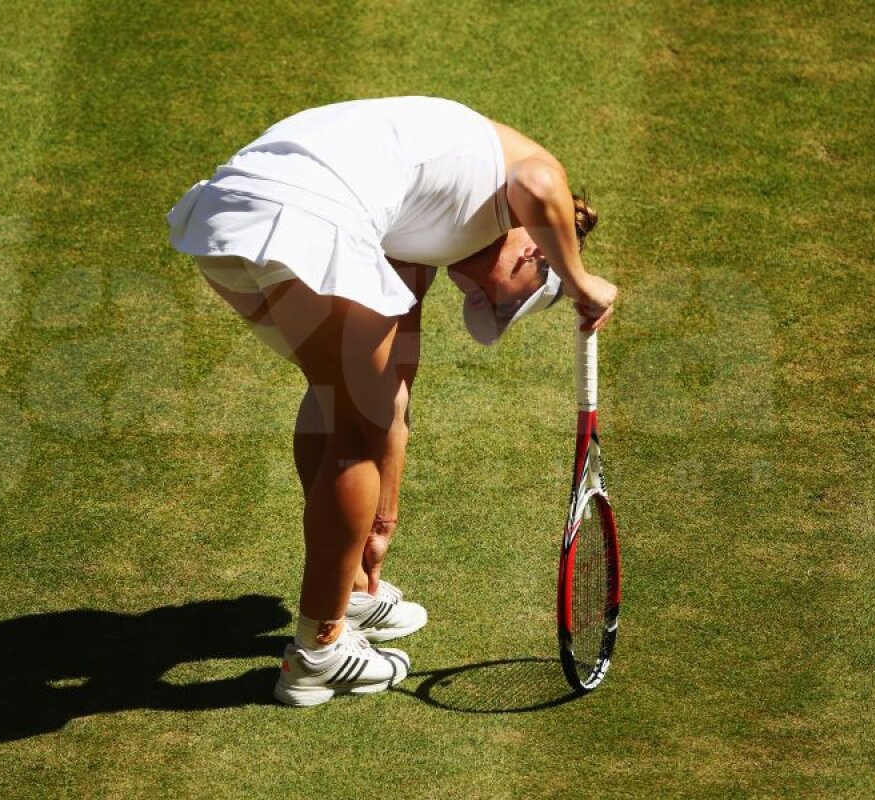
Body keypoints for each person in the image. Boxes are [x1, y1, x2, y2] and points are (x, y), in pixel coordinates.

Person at [167, 96, 617, 707]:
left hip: (231, 219)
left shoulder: (431, 221)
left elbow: (397, 377)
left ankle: (350, 590)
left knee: (340, 399)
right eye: (504, 296)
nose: (480, 296)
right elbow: (539, 183)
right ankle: (318, 652)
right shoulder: (533, 187)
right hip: (307, 213)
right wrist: (583, 279)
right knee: (354, 433)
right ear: (534, 253)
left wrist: (383, 521)